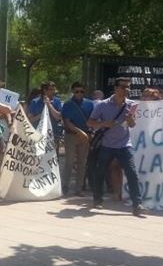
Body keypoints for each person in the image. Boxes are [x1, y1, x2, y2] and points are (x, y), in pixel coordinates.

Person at [88, 77, 144, 216]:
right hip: (106, 145)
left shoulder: (131, 105)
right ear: (115, 88)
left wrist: (131, 120)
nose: (126, 90)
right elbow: (90, 122)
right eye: (123, 87)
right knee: (100, 172)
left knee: (132, 173)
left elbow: (132, 125)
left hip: (125, 145)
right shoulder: (102, 105)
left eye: (128, 87)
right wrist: (103, 124)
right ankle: (97, 199)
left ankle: (137, 204)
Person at [61, 81, 94, 196]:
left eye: (82, 91)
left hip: (85, 136)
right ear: (73, 92)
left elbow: (92, 120)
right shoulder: (68, 104)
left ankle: (78, 188)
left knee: (82, 163)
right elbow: (67, 122)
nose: (79, 93)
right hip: (71, 135)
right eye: (77, 91)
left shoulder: (90, 104)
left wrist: (90, 132)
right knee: (69, 162)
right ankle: (65, 186)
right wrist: (79, 132)